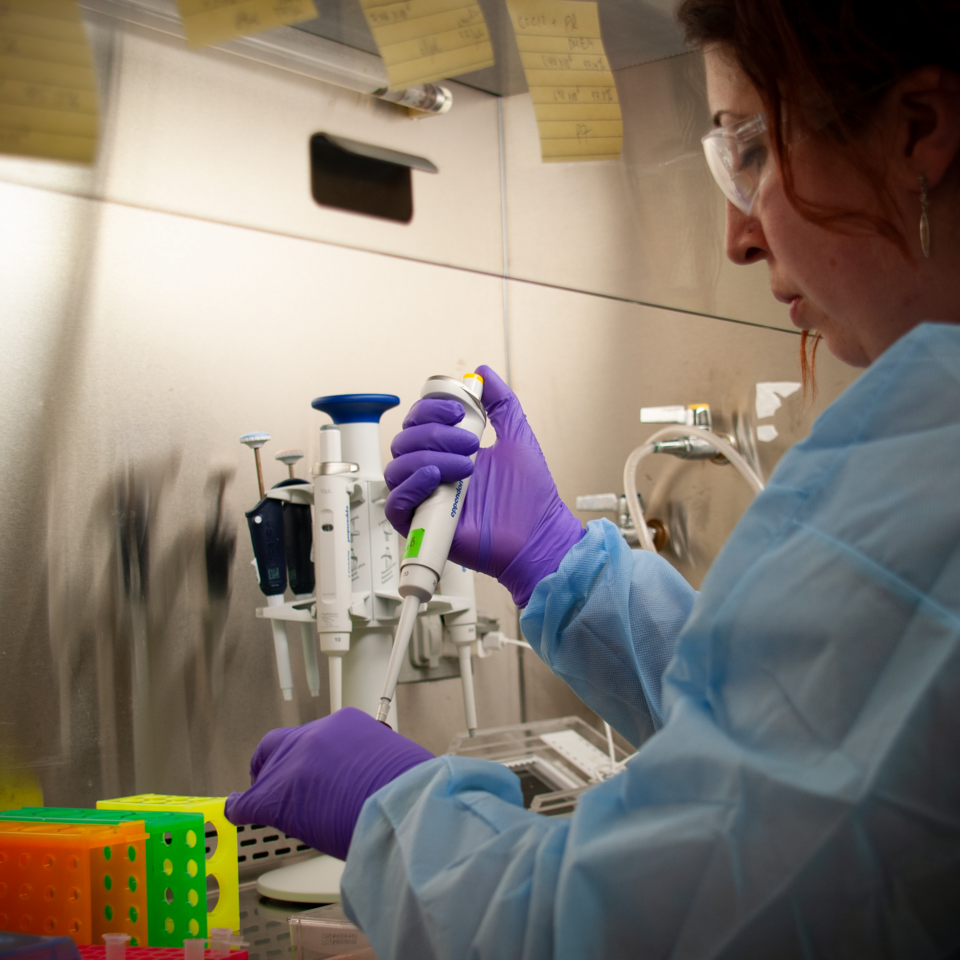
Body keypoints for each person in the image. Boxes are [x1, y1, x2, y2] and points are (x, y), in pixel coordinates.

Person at [225, 1, 960, 955]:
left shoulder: (924, 474)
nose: (738, 236)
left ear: (918, 129)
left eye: (751, 152)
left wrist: (395, 815)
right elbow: (819, 748)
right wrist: (563, 565)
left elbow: (626, 931)